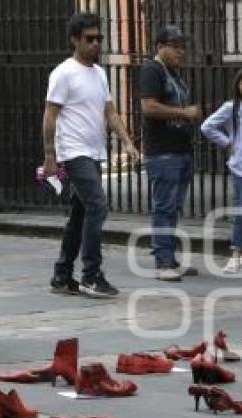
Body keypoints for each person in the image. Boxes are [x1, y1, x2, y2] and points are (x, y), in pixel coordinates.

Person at [43, 12, 139, 298]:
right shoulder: (63, 73)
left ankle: (62, 275)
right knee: (98, 205)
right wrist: (50, 156)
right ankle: (91, 275)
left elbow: (110, 111)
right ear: (75, 39)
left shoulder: (99, 73)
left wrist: (128, 143)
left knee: (80, 213)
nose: (96, 44)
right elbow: (49, 117)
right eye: (90, 39)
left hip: (94, 151)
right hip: (73, 152)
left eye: (99, 38)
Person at [138, 25, 202, 282]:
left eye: (182, 46)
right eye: (174, 46)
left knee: (173, 207)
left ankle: (170, 257)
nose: (180, 51)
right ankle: (162, 261)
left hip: (180, 149)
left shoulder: (174, 73)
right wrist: (184, 113)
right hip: (163, 152)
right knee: (164, 206)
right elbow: (149, 107)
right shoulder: (152, 70)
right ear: (160, 47)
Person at [201, 67, 242, 274]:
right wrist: (227, 143)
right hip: (240, 166)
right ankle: (235, 253)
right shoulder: (231, 107)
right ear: (237, 86)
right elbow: (207, 126)